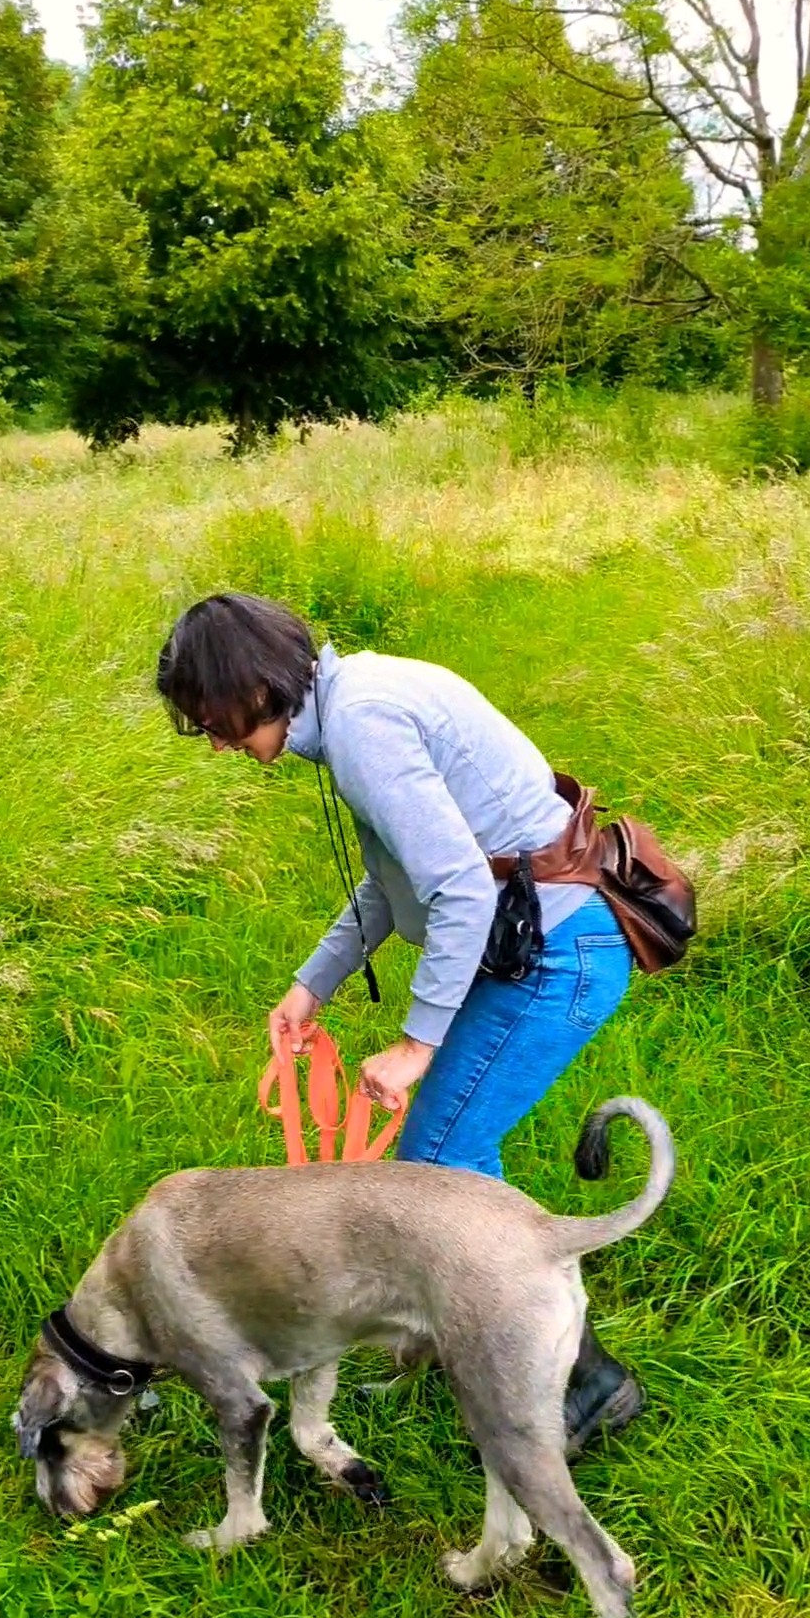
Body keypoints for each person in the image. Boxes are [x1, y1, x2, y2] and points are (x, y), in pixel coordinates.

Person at [157, 591, 643, 1457]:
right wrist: (313, 986)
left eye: (214, 719)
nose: (219, 742)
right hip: (540, 945)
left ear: (254, 686)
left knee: (442, 1161)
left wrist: (417, 1044)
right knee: (452, 1162)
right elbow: (391, 883)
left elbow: (456, 887)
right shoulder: (355, 704)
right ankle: (450, 1334)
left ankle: (587, 1383)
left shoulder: (366, 726)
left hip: (561, 955)